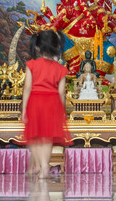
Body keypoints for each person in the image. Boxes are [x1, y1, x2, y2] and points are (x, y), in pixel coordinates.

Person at [22, 30, 72, 179]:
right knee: (47, 138)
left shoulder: (31, 64)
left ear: (37, 47)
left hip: (35, 102)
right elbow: (62, 93)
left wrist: (24, 108)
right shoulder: (61, 68)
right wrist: (62, 111)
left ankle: (41, 166)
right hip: (52, 103)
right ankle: (44, 166)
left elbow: (27, 88)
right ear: (56, 46)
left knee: (35, 137)